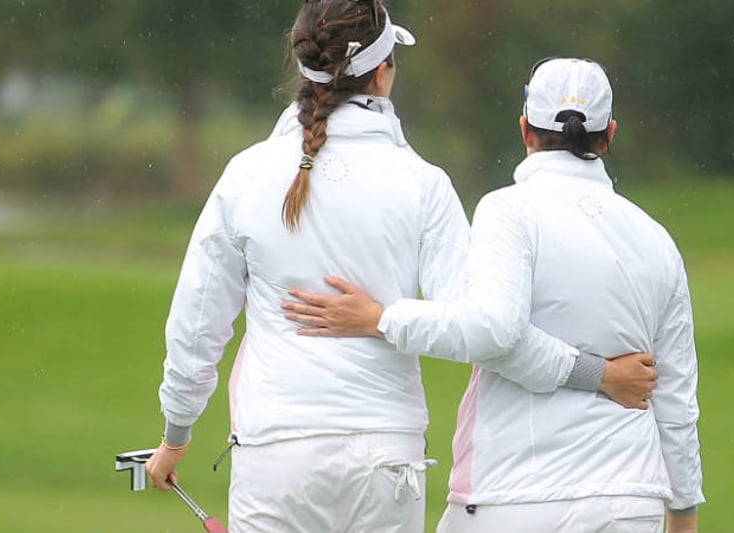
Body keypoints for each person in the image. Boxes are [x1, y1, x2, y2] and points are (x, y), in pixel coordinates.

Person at [143, 3, 659, 530]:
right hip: (387, 456)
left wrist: (175, 437)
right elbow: (489, 333)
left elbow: (197, 324)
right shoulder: (422, 183)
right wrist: (597, 374)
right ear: (383, 71)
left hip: (276, 451)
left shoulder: (246, 175)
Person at [283, 58, 704, 532]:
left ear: (525, 128)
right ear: (608, 135)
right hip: (630, 500)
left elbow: (494, 334)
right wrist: (684, 513)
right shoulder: (656, 239)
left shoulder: (508, 211)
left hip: (513, 494)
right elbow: (676, 398)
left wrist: (380, 318)